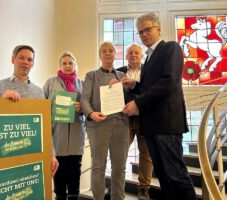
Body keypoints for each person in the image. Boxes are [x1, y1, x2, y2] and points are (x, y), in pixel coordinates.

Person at [121, 13, 197, 200]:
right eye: (141, 32)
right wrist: (135, 85)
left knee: (176, 175)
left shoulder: (170, 47)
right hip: (152, 125)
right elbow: (150, 86)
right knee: (163, 176)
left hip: (167, 123)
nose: (144, 34)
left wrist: (137, 102)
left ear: (158, 28)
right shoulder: (148, 58)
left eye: (148, 30)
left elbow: (168, 82)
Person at [0, 44, 59, 177]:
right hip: (3, 155)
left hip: (31, 156)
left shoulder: (38, 92)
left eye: (29, 60)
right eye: (21, 58)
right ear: (13, 59)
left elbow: (45, 127)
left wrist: (51, 154)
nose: (25, 62)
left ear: (33, 64)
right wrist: (0, 101)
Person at [81, 41, 129, 200]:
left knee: (119, 167)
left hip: (121, 126)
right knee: (98, 167)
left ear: (115, 54)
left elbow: (130, 100)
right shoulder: (91, 75)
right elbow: (84, 100)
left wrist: (124, 87)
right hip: (98, 126)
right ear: (100, 55)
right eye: (104, 51)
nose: (108, 53)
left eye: (111, 51)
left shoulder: (122, 76)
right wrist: (91, 114)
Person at [43, 52, 86, 200]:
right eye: (64, 63)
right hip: (57, 138)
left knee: (75, 179)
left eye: (70, 63)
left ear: (75, 65)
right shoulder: (50, 83)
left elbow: (89, 109)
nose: (67, 66)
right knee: (59, 178)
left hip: (76, 138)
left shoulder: (82, 84)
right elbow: (42, 108)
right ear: (60, 65)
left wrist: (81, 110)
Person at [117, 43, 153, 200]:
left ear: (142, 55)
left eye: (136, 53)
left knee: (145, 154)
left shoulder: (150, 71)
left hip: (145, 118)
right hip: (124, 119)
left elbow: (152, 92)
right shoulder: (118, 72)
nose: (133, 55)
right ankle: (118, 185)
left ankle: (144, 188)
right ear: (126, 56)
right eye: (130, 53)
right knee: (120, 153)